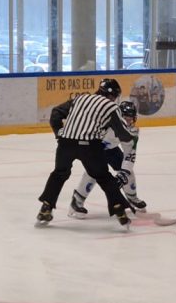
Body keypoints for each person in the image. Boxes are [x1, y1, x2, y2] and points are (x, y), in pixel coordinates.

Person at [38, 78, 136, 230]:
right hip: (89, 146)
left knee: (59, 174)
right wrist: (131, 138)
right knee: (104, 177)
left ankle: (46, 208)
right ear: (112, 95)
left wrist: (59, 133)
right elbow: (122, 134)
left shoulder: (79, 98)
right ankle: (119, 210)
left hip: (66, 144)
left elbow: (56, 112)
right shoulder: (110, 107)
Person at [69, 100, 147, 218]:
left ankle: (132, 197)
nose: (128, 122)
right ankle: (77, 200)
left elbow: (130, 154)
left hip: (112, 149)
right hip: (95, 148)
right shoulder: (106, 124)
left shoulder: (133, 131)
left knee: (128, 173)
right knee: (93, 173)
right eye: (125, 118)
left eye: (130, 119)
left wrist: (123, 173)